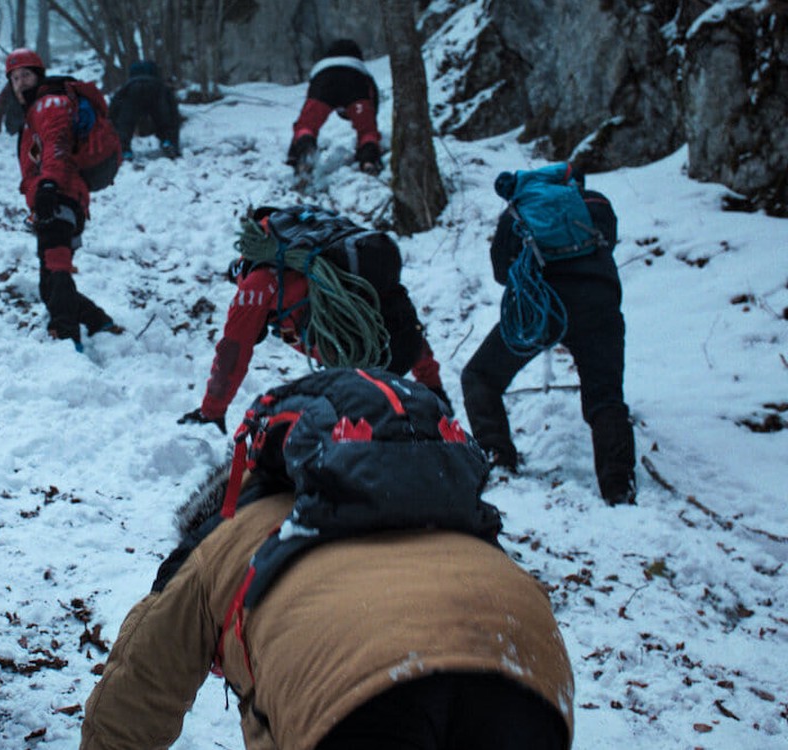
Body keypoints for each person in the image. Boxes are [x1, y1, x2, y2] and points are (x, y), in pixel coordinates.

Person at [78, 428, 574, 749]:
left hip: (359, 691)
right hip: (524, 659)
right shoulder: (423, 505)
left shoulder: (218, 541)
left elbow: (135, 700)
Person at [179, 205, 447, 433]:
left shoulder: (258, 284)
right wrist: (432, 383)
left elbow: (232, 352)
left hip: (362, 369)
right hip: (403, 342)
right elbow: (388, 305)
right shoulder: (324, 250)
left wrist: (212, 410)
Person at [461, 172, 636, 505]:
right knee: (606, 397)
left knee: (480, 375)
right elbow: (608, 244)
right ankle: (619, 487)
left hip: (541, 310)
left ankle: (497, 455)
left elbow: (501, 271)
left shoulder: (518, 211)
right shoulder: (595, 203)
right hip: (601, 305)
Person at [6, 47, 124, 346]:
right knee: (49, 280)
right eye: (14, 77)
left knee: (56, 265)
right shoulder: (36, 110)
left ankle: (66, 335)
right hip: (55, 195)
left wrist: (47, 186)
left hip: (59, 194)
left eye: (26, 75)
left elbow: (56, 147)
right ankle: (98, 321)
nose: (20, 82)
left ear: (39, 76)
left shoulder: (49, 105)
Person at [287, 39, 383, 175]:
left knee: (306, 125)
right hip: (355, 82)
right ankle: (369, 161)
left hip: (323, 82)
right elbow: (373, 104)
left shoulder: (322, 67)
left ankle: (303, 152)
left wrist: (292, 155)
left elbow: (310, 99)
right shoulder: (360, 69)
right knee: (367, 131)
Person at [108, 60, 181, 160]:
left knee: (126, 122)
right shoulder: (159, 84)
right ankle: (168, 142)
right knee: (164, 119)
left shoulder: (128, 84)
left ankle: (124, 150)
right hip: (155, 89)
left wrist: (110, 118)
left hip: (133, 91)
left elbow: (115, 107)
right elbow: (172, 111)